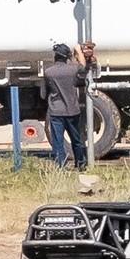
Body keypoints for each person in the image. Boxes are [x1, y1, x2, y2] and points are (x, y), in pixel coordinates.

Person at [40, 42, 95, 170]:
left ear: (55, 57)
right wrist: (79, 51)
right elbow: (83, 67)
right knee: (76, 139)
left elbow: (43, 94)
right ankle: (80, 163)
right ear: (67, 57)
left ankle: (61, 166)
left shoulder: (49, 72)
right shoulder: (73, 69)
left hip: (56, 112)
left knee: (58, 141)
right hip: (72, 111)